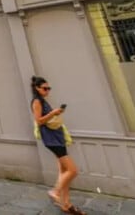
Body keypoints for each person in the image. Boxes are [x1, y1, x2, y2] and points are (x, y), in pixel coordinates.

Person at [30, 76, 84, 215]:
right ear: (37, 88)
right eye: (44, 88)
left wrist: (56, 113)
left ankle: (66, 205)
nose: (47, 91)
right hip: (51, 139)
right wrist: (53, 113)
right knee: (72, 170)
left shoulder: (42, 100)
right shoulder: (36, 101)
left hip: (57, 137)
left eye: (49, 88)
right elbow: (39, 121)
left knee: (64, 171)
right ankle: (55, 191)